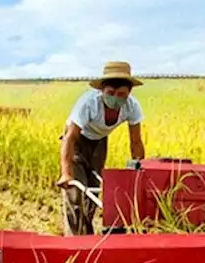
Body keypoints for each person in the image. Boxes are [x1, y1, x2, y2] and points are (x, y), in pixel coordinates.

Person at [57, 61, 147, 236]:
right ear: (102, 91)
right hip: (76, 142)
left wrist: (139, 173)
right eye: (110, 93)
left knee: (93, 190)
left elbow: (136, 142)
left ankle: (87, 233)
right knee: (76, 192)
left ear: (129, 93)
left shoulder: (132, 107)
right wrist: (66, 172)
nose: (115, 98)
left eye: (121, 94)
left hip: (99, 142)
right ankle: (74, 241)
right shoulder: (88, 104)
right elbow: (69, 138)